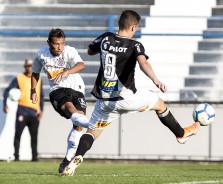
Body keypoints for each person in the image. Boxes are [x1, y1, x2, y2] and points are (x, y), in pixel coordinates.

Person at [63, 10, 200, 176]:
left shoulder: (106, 38)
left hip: (105, 99)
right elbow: (143, 63)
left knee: (92, 132)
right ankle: (181, 134)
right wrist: (155, 80)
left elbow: (90, 51)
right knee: (159, 103)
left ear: (120, 24)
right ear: (133, 27)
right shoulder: (135, 45)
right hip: (126, 97)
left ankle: (77, 157)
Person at [30, 28, 89, 173]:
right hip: (57, 90)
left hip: (77, 89)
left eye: (62, 43)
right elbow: (35, 73)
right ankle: (93, 124)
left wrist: (67, 71)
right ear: (49, 43)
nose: (59, 47)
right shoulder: (41, 54)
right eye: (56, 44)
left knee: (78, 124)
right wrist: (33, 90)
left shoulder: (69, 51)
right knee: (71, 110)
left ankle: (67, 160)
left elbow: (81, 65)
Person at [3, 58, 44, 162]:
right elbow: (7, 91)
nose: (29, 68)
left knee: (34, 136)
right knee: (18, 134)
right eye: (27, 66)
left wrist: (41, 110)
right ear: (25, 67)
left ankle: (34, 157)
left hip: (34, 112)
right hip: (22, 110)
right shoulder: (19, 78)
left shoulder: (38, 78)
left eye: (31, 65)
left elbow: (41, 95)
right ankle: (16, 156)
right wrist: (5, 104)